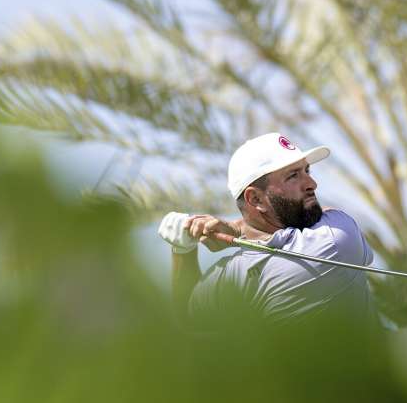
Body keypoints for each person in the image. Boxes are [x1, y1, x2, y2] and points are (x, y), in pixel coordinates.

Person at [158, 132, 377, 324]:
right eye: (293, 176)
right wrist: (235, 229)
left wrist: (183, 249)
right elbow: (327, 215)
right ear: (255, 199)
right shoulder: (335, 239)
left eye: (306, 170)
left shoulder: (237, 274)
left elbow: (188, 313)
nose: (312, 183)